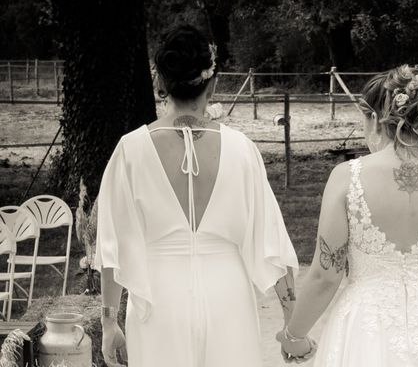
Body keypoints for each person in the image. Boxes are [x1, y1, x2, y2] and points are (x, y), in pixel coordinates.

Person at [95, 24, 299, 367]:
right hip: (228, 296)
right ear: (213, 83)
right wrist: (293, 324)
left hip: (159, 301)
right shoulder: (242, 150)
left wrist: (108, 321)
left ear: (160, 83)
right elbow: (271, 242)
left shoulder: (130, 151)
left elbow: (112, 246)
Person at [278, 65, 418, 366]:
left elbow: (324, 276)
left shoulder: (346, 177)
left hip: (365, 327)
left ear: (377, 119)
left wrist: (294, 337)